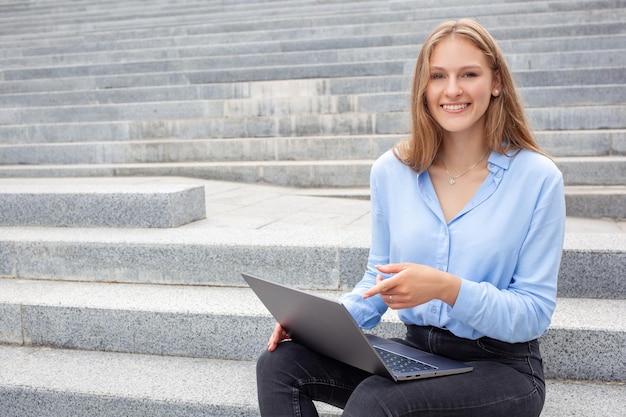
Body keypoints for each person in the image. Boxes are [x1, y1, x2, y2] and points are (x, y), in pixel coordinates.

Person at [256, 18, 565, 417]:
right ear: (424, 86)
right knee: (280, 363)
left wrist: (447, 288)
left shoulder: (538, 178)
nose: (452, 90)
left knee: (378, 400)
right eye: (438, 76)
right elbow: (377, 280)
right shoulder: (391, 170)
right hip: (419, 355)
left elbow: (533, 313)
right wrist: (315, 326)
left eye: (468, 74)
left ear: (496, 82)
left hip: (501, 367)